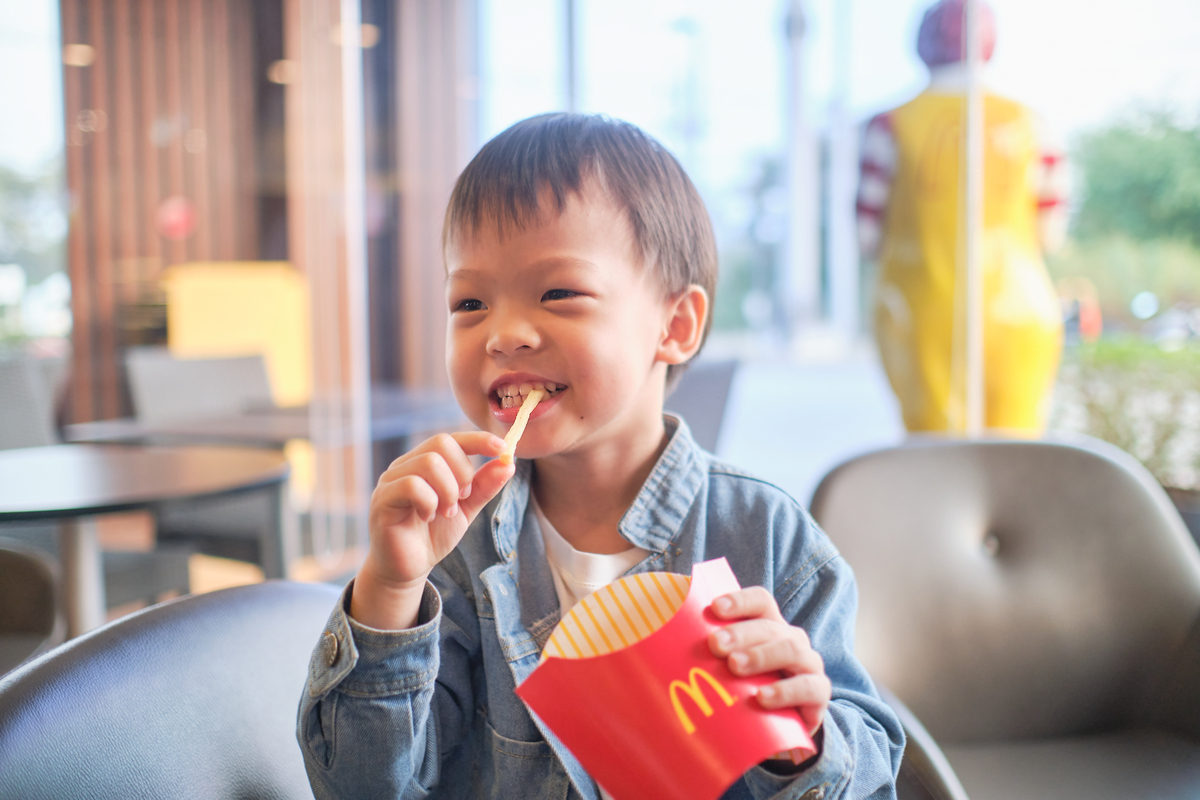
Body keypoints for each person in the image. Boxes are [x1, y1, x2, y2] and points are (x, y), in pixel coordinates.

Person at [298, 113, 904, 799]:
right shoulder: (453, 552)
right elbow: (360, 787)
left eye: (558, 293)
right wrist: (391, 590)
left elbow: (872, 771)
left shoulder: (768, 540)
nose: (504, 334)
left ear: (675, 327)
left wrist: (804, 740)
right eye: (469, 302)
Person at [856, 0, 1068, 434]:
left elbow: (866, 236)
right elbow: (1051, 233)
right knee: (1015, 445)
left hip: (919, 305)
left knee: (936, 448)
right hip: (1020, 306)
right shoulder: (1032, 122)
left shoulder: (890, 124)